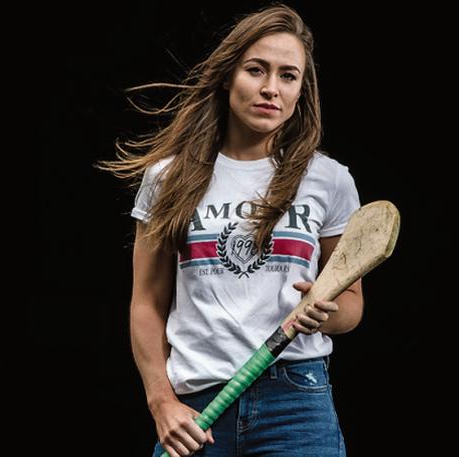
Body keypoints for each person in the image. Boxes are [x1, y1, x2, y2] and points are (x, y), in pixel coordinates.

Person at [98, 4, 362, 456]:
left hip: (296, 402)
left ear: (302, 90)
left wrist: (325, 310)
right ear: (227, 77)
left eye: (287, 76)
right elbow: (146, 302)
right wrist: (161, 401)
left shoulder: (329, 179)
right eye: (255, 70)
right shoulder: (168, 178)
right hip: (198, 406)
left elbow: (352, 306)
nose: (269, 89)